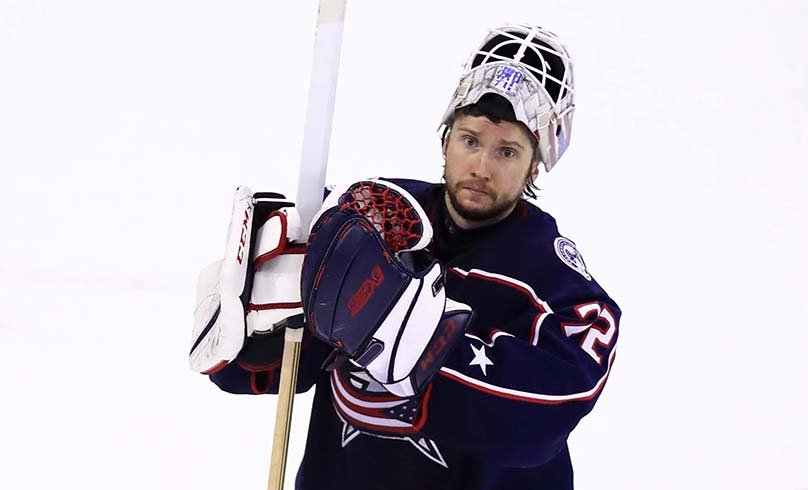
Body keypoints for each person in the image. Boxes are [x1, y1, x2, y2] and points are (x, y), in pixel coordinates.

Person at [191, 23, 620, 490]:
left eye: (507, 152)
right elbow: (267, 370)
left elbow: (548, 419)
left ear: (536, 164)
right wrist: (248, 328)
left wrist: (418, 342)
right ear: (445, 139)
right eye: (470, 140)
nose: (480, 166)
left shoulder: (554, 282)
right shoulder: (368, 223)